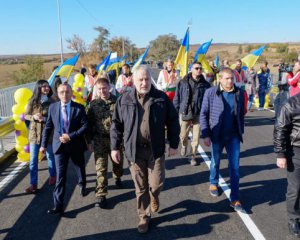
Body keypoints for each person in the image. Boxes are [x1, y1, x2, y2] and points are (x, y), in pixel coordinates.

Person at [110, 65, 180, 233]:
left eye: (147, 79)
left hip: (155, 150)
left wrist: (174, 143)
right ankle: (144, 217)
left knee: (156, 184)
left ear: (151, 80)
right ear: (133, 81)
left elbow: (172, 121)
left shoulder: (161, 98)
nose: (144, 82)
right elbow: (116, 124)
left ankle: (154, 196)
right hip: (134, 151)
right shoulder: (124, 99)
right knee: (140, 188)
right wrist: (114, 147)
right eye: (140, 79)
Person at [200, 67, 246, 212]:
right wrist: (206, 134)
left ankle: (235, 198)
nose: (230, 81)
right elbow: (203, 114)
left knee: (235, 168)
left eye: (232, 78)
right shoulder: (211, 92)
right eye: (227, 78)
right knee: (215, 161)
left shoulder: (240, 92)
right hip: (217, 135)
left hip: (233, 136)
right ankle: (213, 182)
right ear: (220, 79)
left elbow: (242, 112)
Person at [40, 83, 88, 215]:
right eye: (61, 92)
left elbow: (85, 127)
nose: (64, 95)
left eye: (67, 92)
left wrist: (70, 136)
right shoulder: (53, 108)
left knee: (79, 166)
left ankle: (82, 184)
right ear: (58, 93)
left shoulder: (79, 108)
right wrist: (43, 145)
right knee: (60, 176)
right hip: (59, 146)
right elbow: (48, 127)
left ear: (71, 93)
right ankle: (58, 205)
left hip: (75, 144)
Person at [87, 78, 123, 209]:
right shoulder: (93, 104)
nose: (102, 91)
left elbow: (123, 121)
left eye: (104, 88)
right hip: (99, 140)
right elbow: (89, 124)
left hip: (116, 141)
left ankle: (117, 177)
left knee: (117, 164)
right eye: (99, 89)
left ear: (109, 87)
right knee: (100, 169)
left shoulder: (118, 101)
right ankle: (101, 195)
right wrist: (89, 140)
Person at [173, 62, 211, 166]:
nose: (199, 70)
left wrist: (208, 113)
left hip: (198, 114)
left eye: (200, 68)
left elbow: (209, 100)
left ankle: (193, 156)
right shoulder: (183, 82)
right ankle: (184, 145)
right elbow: (177, 97)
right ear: (191, 70)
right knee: (183, 135)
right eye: (196, 68)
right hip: (185, 112)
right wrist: (174, 111)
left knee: (196, 138)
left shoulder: (206, 85)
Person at [274, 93, 300, 237]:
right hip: (296, 151)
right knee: (295, 188)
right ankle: (293, 219)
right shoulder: (290, 104)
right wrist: (280, 154)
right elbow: (280, 129)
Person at [24, 80, 56, 193]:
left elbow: (55, 118)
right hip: (34, 135)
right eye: (44, 87)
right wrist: (33, 117)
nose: (47, 88)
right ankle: (33, 184)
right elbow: (26, 116)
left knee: (50, 156)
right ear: (39, 88)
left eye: (47, 86)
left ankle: (53, 176)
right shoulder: (32, 101)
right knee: (33, 160)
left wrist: (45, 119)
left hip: (48, 135)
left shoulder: (52, 101)